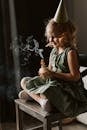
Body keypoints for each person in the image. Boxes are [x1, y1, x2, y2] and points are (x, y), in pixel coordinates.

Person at [19, 0, 87, 117]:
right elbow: (50, 73)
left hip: (67, 89)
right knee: (24, 81)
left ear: (64, 35)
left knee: (48, 90)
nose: (50, 40)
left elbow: (75, 77)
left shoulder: (70, 53)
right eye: (49, 37)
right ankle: (41, 100)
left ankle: (37, 97)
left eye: (54, 37)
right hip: (54, 83)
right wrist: (44, 71)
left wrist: (51, 73)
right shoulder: (54, 51)